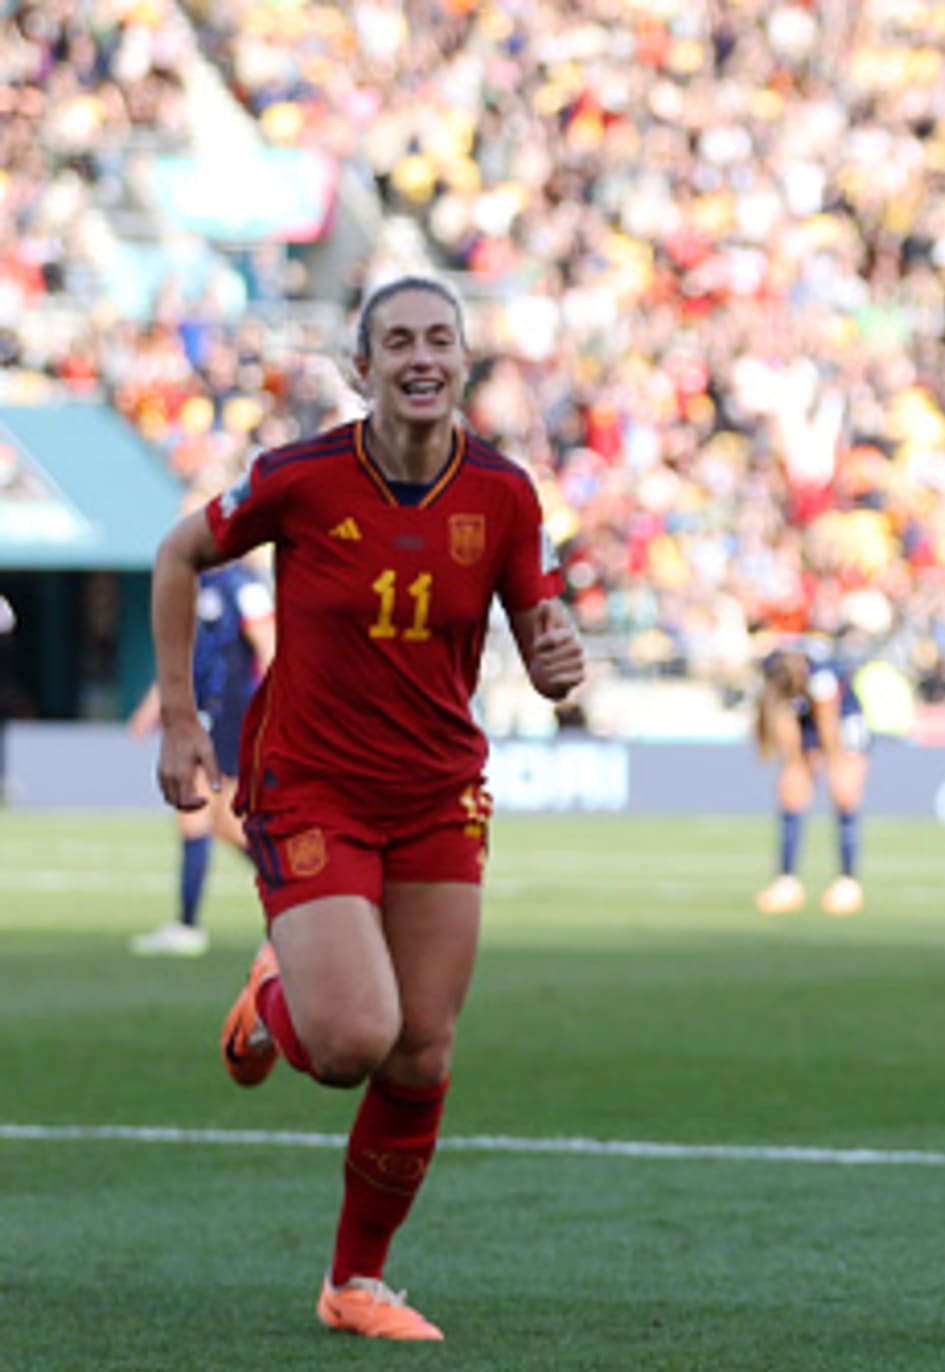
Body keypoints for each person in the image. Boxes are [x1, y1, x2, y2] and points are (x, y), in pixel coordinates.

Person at [150, 276, 583, 1341]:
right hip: (314, 784)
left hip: (439, 792)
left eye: (441, 338)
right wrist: (177, 715)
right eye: (399, 341)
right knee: (350, 1042)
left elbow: (542, 641)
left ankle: (355, 1284)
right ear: (362, 367)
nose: (421, 356)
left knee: (422, 1050)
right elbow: (178, 552)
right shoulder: (299, 479)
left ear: (466, 360)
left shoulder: (506, 494)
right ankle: (275, 999)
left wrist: (560, 659)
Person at [127, 532, 276, 957]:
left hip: (230, 715)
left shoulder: (242, 587)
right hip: (198, 714)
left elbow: (270, 648)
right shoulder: (195, 585)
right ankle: (296, 897)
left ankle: (191, 925)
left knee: (203, 815)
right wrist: (152, 706)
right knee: (219, 822)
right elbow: (184, 657)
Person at [752, 637, 869, 917]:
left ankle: (847, 881)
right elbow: (779, 719)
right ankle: (787, 881)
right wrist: (794, 760)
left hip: (844, 721)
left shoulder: (823, 677)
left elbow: (828, 723)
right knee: (792, 791)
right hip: (805, 719)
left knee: (843, 794)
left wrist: (834, 763)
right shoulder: (773, 669)